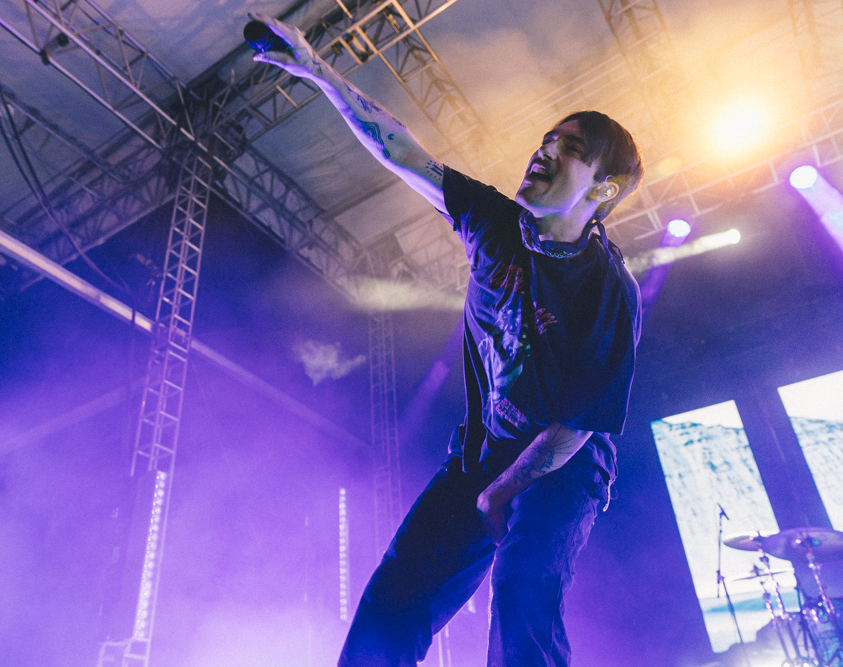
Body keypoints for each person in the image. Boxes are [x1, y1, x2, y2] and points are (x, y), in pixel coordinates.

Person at [250, 13, 643, 666]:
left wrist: (498, 493)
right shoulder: (494, 223)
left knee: (522, 591)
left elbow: (574, 428)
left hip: (560, 469)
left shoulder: (609, 291)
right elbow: (402, 149)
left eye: (568, 147)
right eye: (545, 138)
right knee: (396, 597)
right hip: (479, 458)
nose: (542, 150)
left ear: (602, 189)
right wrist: (316, 70)